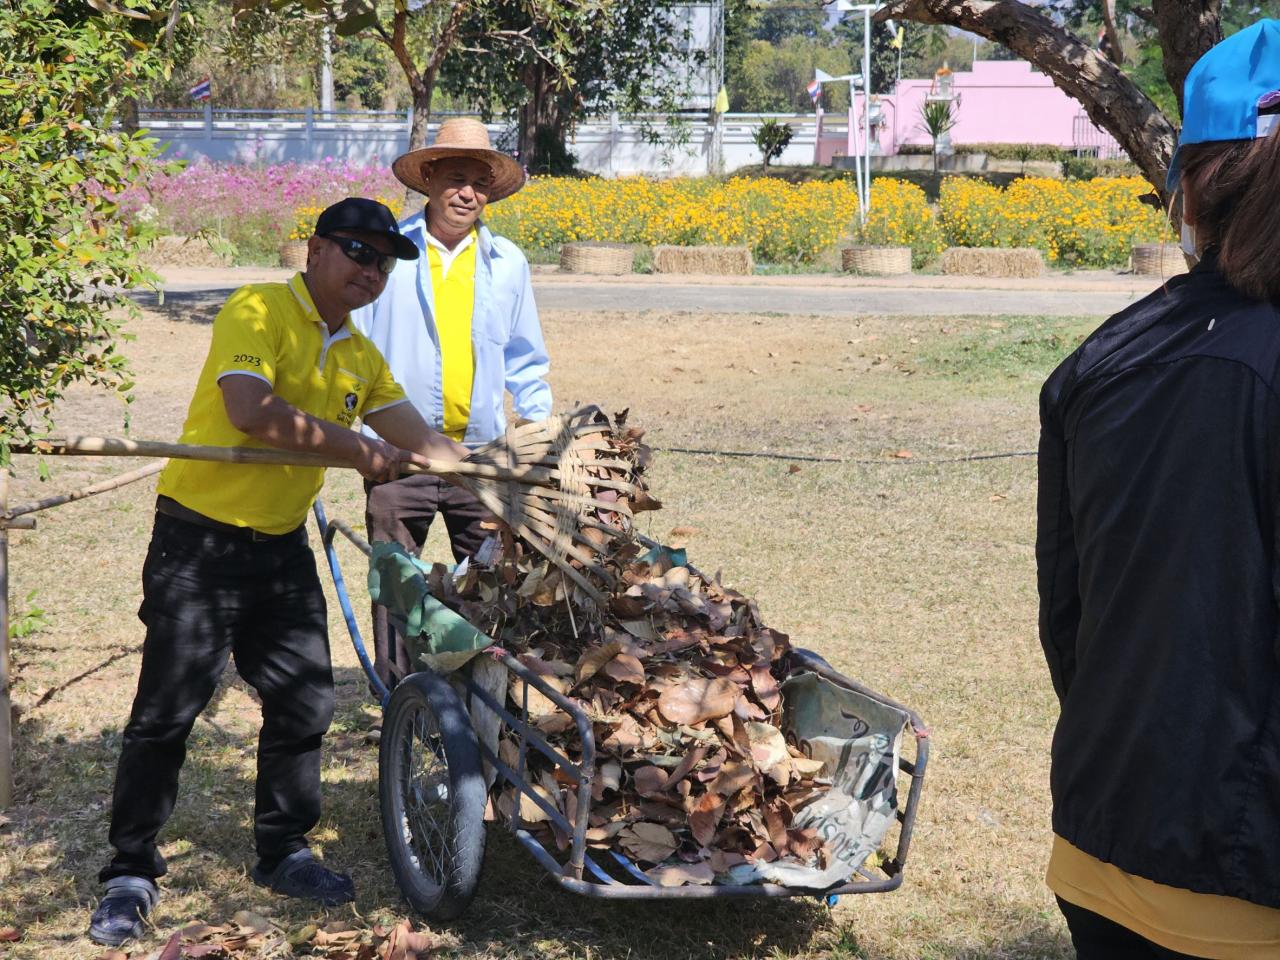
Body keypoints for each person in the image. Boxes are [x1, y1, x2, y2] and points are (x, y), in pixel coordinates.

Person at [89, 198, 467, 947]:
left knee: (305, 701)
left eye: (384, 262)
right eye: (358, 251)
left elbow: (423, 440)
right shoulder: (257, 309)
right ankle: (129, 870)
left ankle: (283, 849)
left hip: (281, 546)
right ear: (316, 250)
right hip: (200, 542)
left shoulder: (360, 356)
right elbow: (251, 411)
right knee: (167, 711)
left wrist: (497, 472)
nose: (372, 270)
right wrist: (359, 451)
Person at [1036, 20, 1280, 960]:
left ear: (1191, 186)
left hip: (1098, 851)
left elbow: (1070, 617)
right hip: (1247, 890)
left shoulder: (1102, 358)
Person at [352, 118, 551, 689]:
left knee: (491, 579)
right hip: (399, 454)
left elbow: (525, 356)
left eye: (480, 183)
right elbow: (353, 342)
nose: (468, 194)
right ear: (430, 179)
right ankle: (399, 697)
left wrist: (538, 434)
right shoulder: (390, 254)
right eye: (456, 179)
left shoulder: (507, 263)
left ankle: (482, 694)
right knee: (396, 581)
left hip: (480, 456)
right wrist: (346, 436)